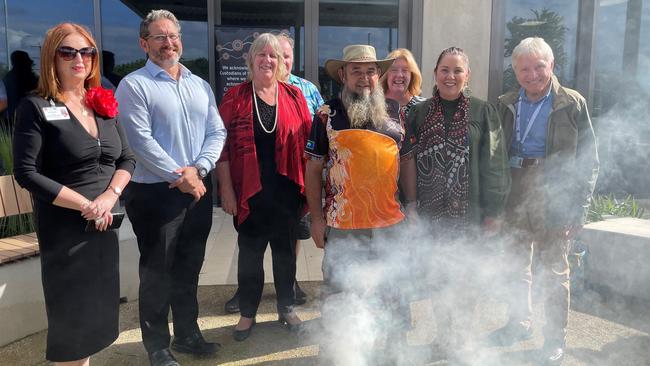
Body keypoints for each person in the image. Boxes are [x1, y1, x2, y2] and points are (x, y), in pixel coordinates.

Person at [12, 22, 135, 365]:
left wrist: (110, 196)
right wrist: (86, 205)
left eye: (86, 51)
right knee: (71, 330)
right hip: (66, 232)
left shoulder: (102, 103)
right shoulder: (35, 107)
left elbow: (127, 157)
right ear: (53, 57)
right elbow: (27, 172)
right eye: (68, 52)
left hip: (102, 229)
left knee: (94, 326)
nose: (78, 59)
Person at [115, 9, 226, 366]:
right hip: (155, 195)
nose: (168, 43)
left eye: (173, 35)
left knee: (190, 265)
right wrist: (184, 176)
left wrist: (201, 168)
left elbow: (217, 131)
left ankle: (188, 335)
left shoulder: (200, 84)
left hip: (196, 191)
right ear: (144, 43)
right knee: (157, 271)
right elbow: (140, 141)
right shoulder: (133, 85)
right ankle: (158, 348)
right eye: (159, 37)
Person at [491, 37, 599, 365]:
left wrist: (578, 206)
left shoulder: (572, 102)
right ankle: (518, 322)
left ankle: (555, 338)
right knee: (514, 263)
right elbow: (493, 154)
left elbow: (588, 159)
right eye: (524, 68)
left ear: (552, 66)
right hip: (514, 185)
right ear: (515, 72)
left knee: (554, 270)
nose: (532, 74)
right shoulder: (504, 102)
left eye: (539, 66)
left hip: (555, 190)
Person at [400, 46, 510, 362]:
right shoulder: (418, 114)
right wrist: (411, 206)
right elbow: (406, 162)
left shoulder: (483, 111)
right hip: (432, 216)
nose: (451, 76)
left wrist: (494, 212)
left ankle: (462, 337)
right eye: (445, 70)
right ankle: (444, 335)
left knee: (466, 277)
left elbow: (495, 164)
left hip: (471, 213)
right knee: (438, 276)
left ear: (467, 75)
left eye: (457, 70)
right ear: (435, 74)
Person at [304, 44, 406, 363]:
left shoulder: (396, 112)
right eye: (357, 71)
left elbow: (409, 164)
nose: (364, 78)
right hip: (342, 224)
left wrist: (411, 210)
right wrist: (317, 220)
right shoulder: (326, 114)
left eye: (371, 71)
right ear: (343, 75)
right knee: (339, 293)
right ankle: (339, 355)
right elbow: (313, 167)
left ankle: (386, 355)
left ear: (379, 75)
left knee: (388, 292)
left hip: (389, 223)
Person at [216, 33, 312, 342]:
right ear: (251, 60)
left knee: (285, 254)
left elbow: (310, 144)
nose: (268, 60)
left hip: (286, 191)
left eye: (274, 55)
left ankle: (286, 307)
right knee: (250, 256)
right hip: (250, 192)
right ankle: (247, 313)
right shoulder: (236, 96)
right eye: (262, 54)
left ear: (283, 62)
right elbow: (222, 149)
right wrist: (227, 192)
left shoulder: (295, 95)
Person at [381, 48, 426, 128]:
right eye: (394, 70)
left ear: (412, 76)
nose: (399, 75)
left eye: (405, 70)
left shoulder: (425, 107)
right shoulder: (375, 107)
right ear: (386, 75)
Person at [3, 50, 39, 120]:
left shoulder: (7, 78)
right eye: (28, 64)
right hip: (20, 118)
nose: (30, 67)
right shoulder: (26, 79)